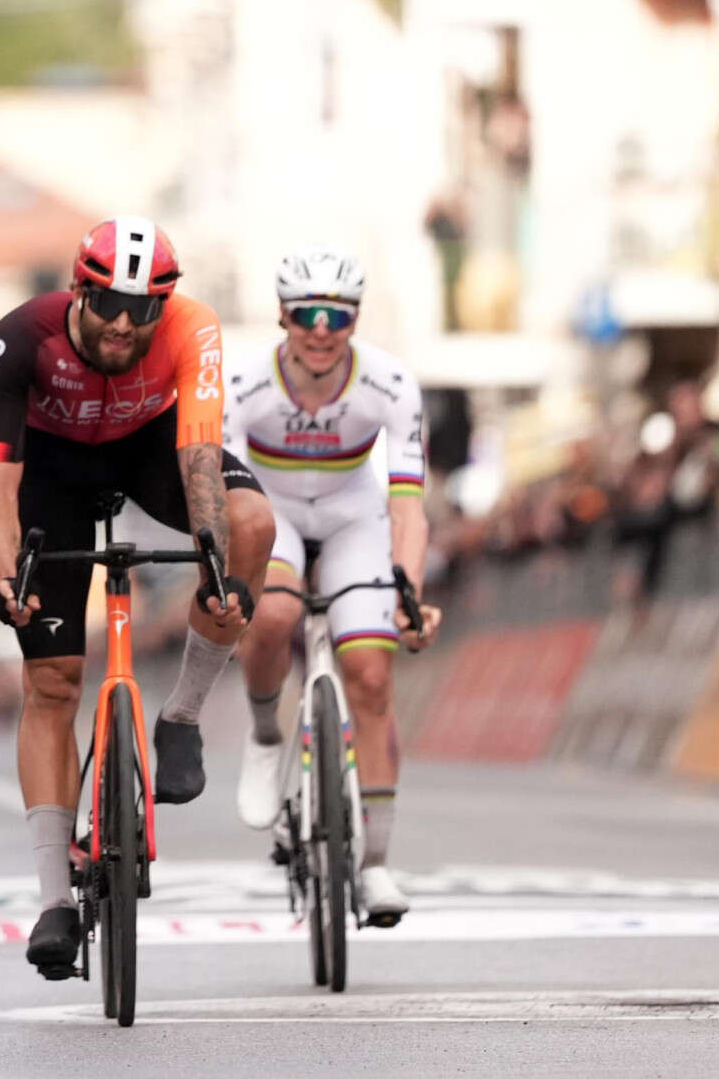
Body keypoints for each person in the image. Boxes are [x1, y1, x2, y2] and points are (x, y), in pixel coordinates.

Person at [0, 217, 275, 978]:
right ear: (79, 290)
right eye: (107, 304)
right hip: (53, 471)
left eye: (141, 311)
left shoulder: (191, 327)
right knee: (51, 682)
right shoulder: (24, 334)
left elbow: (201, 452)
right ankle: (53, 901)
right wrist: (7, 575)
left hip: (152, 448)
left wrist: (215, 565)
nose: (121, 323)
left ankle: (181, 718)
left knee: (250, 523)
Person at [223, 245, 442, 927]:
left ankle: (374, 864)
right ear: (284, 315)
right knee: (275, 612)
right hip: (273, 513)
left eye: (338, 316)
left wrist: (407, 590)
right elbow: (228, 498)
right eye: (308, 314)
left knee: (371, 677)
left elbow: (407, 501)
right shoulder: (243, 383)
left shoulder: (390, 382)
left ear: (355, 320)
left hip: (354, 517)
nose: (322, 328)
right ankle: (265, 734)